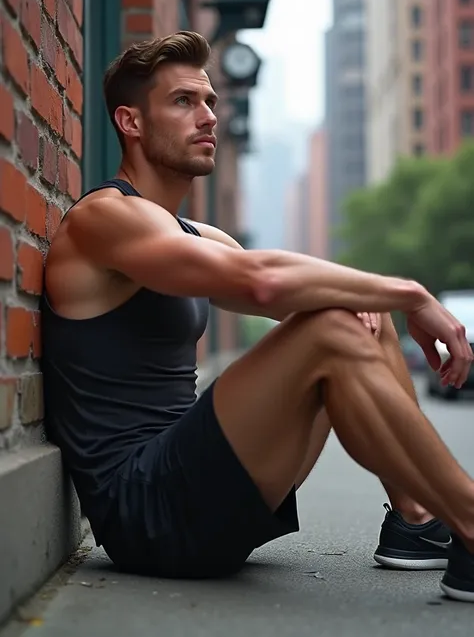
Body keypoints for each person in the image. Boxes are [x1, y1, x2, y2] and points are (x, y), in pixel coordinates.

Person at [41, 31, 474, 602]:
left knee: (357, 309)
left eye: (210, 102)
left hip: (199, 485)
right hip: (147, 510)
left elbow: (288, 283)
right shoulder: (104, 220)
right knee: (339, 323)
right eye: (183, 102)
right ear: (131, 122)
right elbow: (263, 283)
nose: (207, 117)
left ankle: (416, 524)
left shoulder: (195, 235)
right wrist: (412, 293)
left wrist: (377, 297)